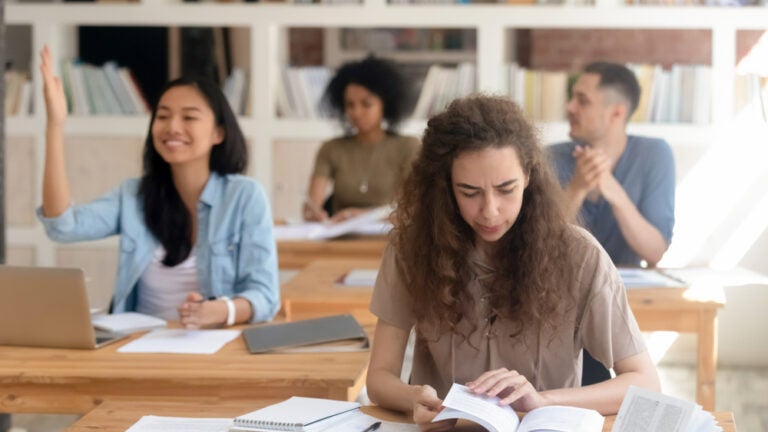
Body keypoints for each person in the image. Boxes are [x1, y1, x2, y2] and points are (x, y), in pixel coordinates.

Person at [366, 95, 660, 430]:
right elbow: (379, 377)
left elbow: (645, 381)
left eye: (506, 189)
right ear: (445, 188)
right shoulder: (411, 250)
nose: (490, 211)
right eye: (469, 192)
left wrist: (542, 400)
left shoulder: (580, 256)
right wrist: (412, 397)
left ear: (529, 177)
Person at [36, 46, 279, 328]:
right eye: (162, 116)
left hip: (212, 349)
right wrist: (55, 125)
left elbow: (265, 296)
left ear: (218, 133)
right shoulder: (132, 196)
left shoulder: (244, 197)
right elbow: (62, 226)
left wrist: (223, 310)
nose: (172, 127)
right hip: (136, 345)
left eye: (188, 117)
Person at [548, 62, 675, 268]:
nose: (569, 107)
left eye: (582, 101)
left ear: (616, 113)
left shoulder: (654, 154)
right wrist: (576, 188)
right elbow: (541, 243)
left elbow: (655, 252)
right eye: (572, 98)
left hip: (629, 294)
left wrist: (613, 191)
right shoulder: (550, 158)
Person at [303, 56, 419, 223]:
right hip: (340, 238)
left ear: (384, 104)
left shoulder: (408, 147)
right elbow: (313, 202)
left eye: (366, 104)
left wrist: (364, 217)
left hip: (389, 237)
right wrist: (312, 212)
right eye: (350, 105)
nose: (356, 112)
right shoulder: (331, 148)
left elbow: (410, 208)